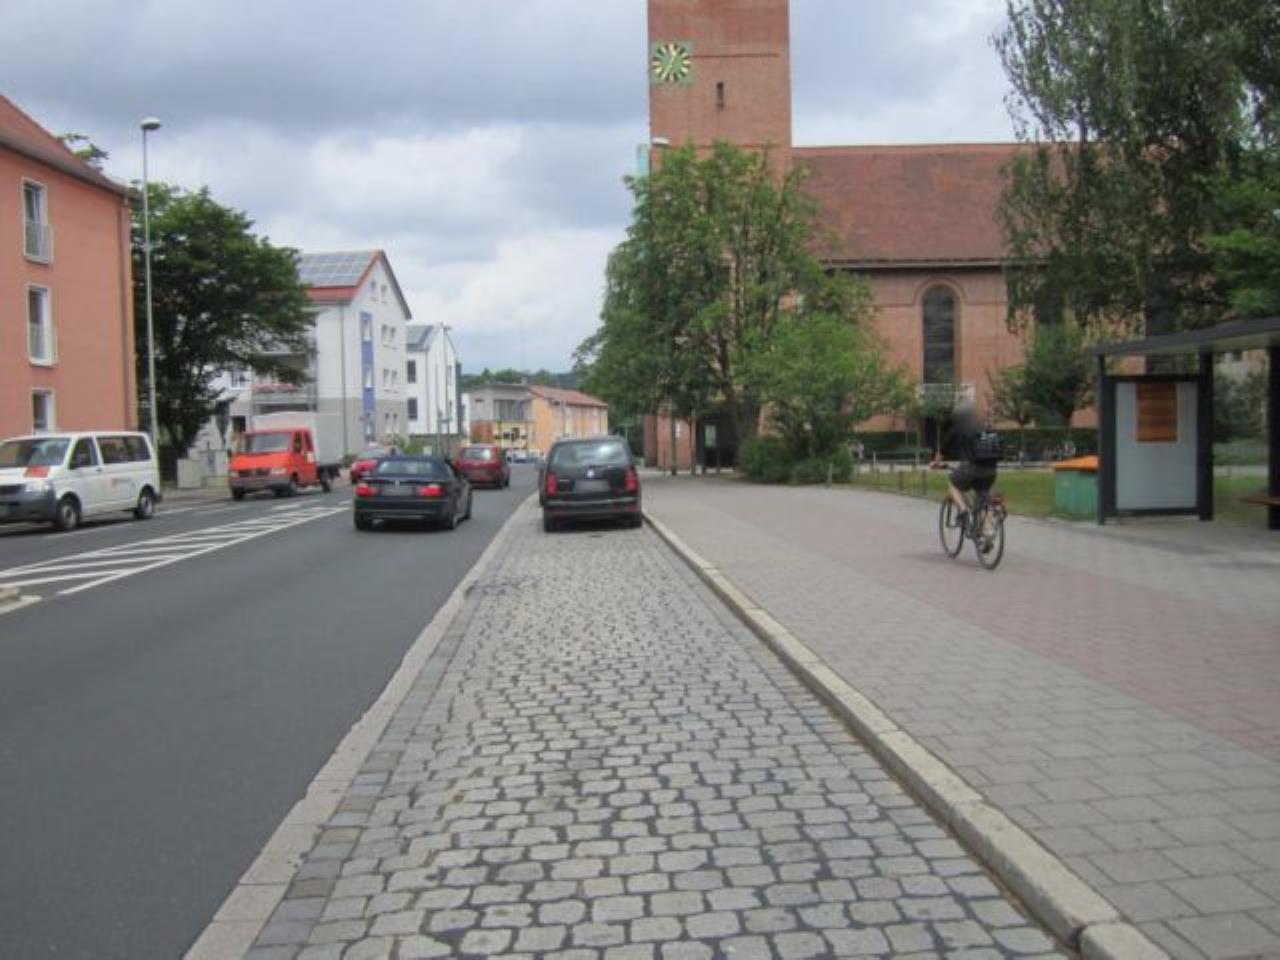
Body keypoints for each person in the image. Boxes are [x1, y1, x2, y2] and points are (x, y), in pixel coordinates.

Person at [930, 399, 999, 538]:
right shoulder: (984, 426)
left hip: (971, 468)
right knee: (982, 497)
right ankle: (988, 531)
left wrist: (935, 463)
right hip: (991, 469)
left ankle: (963, 510)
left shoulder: (957, 428)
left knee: (953, 484)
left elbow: (941, 452)